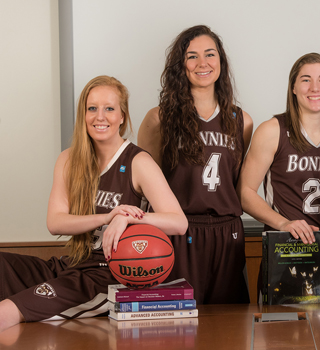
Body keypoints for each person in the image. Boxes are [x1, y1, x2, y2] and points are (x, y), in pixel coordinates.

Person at [0, 76, 187, 332]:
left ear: (122, 116)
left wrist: (129, 217)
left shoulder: (138, 162)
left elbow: (179, 222)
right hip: (71, 263)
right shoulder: (68, 159)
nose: (100, 117)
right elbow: (55, 222)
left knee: (4, 314)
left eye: (109, 108)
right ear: (83, 114)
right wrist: (108, 216)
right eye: (92, 108)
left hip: (105, 277)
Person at [138, 25, 253, 304]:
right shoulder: (159, 119)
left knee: (230, 330)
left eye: (210, 54)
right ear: (181, 65)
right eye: (192, 56)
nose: (202, 63)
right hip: (179, 232)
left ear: (221, 62)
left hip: (228, 235)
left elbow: (237, 184)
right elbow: (142, 187)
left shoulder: (242, 121)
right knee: (177, 329)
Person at [238, 53, 320, 301]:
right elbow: (244, 193)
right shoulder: (273, 130)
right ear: (294, 88)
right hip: (286, 257)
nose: (315, 88)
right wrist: (283, 223)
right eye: (306, 80)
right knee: (285, 340)